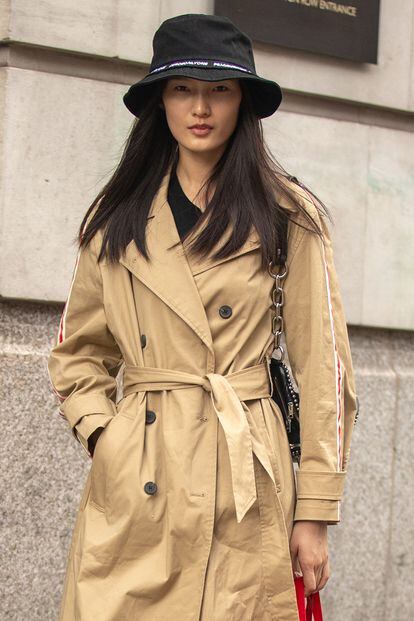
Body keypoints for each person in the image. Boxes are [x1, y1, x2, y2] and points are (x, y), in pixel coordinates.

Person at [47, 12, 359, 621]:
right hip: (141, 484)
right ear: (159, 100)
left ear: (243, 101)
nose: (201, 107)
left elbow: (327, 371)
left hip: (245, 480)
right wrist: (110, 438)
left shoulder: (288, 217)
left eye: (220, 90)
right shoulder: (115, 222)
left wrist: (316, 511)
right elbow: (76, 353)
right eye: (183, 87)